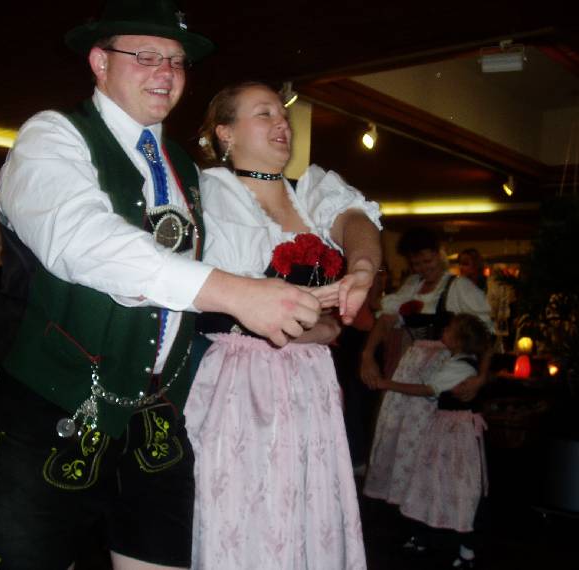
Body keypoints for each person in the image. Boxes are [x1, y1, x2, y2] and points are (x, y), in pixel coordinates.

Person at [0, 3, 330, 570]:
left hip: (156, 418)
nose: (166, 72)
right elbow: (82, 240)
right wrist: (236, 294)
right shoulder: (52, 136)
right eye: (145, 56)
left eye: (176, 60)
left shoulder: (184, 169)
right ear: (99, 62)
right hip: (54, 408)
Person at [184, 81, 382, 569]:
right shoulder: (209, 195)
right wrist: (319, 328)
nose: (282, 124)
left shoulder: (310, 192)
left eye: (283, 115)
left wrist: (360, 269)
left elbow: (357, 221)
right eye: (264, 113)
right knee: (247, 510)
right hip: (241, 376)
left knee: (306, 505)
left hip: (310, 380)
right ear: (226, 133)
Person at [361, 226, 492, 504]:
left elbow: (486, 336)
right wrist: (367, 354)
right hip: (410, 368)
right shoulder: (412, 286)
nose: (423, 268)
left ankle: (429, 502)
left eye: (428, 260)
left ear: (440, 255)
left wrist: (481, 377)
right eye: (417, 263)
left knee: (430, 440)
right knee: (402, 434)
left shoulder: (459, 288)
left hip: (442, 371)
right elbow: (386, 320)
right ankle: (405, 500)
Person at [373, 313, 491, 569]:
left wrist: (387, 383)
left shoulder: (460, 367)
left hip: (456, 435)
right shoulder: (457, 361)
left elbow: (428, 389)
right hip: (445, 431)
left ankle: (465, 548)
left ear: (459, 340)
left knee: (459, 486)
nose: (444, 330)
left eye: (449, 329)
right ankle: (425, 536)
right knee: (429, 481)